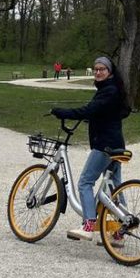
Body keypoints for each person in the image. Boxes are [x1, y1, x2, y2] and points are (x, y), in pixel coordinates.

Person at [51, 56, 130, 241]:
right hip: (116, 144)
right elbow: (103, 112)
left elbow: (88, 110)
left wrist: (62, 112)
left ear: (109, 71)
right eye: (95, 69)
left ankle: (88, 224)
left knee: (85, 182)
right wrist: (94, 117)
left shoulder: (108, 91)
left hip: (105, 145)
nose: (98, 72)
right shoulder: (112, 90)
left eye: (102, 69)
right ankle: (121, 229)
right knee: (114, 187)